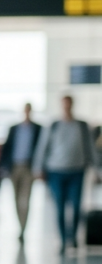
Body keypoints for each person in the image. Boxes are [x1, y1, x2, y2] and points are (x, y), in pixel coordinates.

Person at [42, 95, 93, 252]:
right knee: (59, 206)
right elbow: (43, 148)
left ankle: (74, 236)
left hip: (77, 170)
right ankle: (64, 240)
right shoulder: (54, 125)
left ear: (72, 105)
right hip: (56, 171)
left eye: (68, 104)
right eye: (64, 104)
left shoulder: (82, 126)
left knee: (77, 206)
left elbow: (90, 148)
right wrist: (39, 168)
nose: (66, 107)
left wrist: (96, 169)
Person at [0, 103, 44, 241]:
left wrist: (40, 168)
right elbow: (6, 147)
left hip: (28, 168)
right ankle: (20, 225)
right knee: (16, 198)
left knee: (25, 199)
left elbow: (42, 149)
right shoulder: (14, 129)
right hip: (14, 167)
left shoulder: (38, 129)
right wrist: (1, 167)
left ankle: (23, 229)